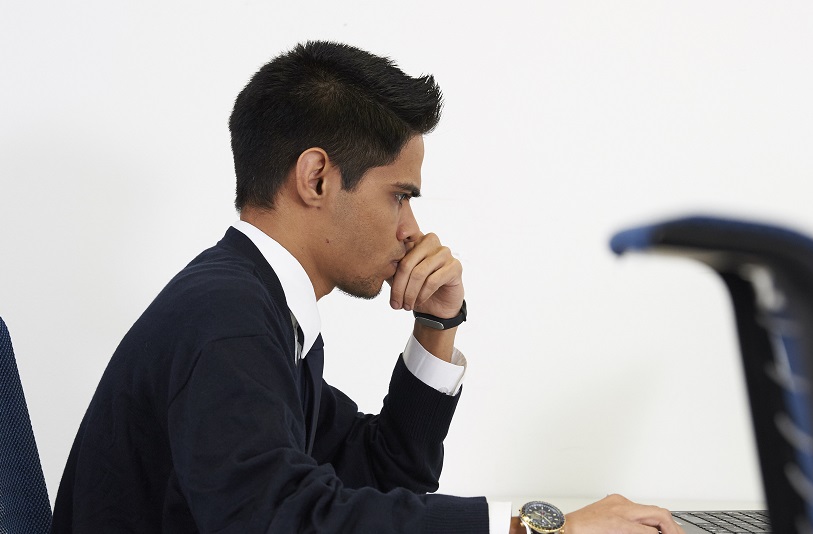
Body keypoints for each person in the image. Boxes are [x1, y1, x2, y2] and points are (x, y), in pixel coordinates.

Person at [50, 41, 683, 534]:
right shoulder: (227, 320)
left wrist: (438, 326)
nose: (413, 231)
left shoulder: (256, 304)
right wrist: (544, 528)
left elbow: (384, 472)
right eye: (400, 196)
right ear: (317, 178)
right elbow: (282, 522)